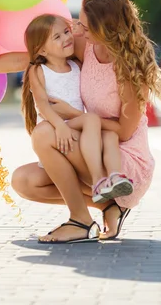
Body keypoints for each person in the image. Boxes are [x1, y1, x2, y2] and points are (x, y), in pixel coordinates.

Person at [0, 0, 161, 243]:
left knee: (44, 134)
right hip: (91, 144)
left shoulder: (131, 71)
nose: (77, 29)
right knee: (24, 181)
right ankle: (109, 207)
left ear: (105, 29)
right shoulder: (88, 47)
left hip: (122, 163)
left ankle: (80, 221)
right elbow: (27, 60)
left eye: (84, 26)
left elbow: (124, 132)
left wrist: (74, 115)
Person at [21, 14, 133, 243]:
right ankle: (101, 189)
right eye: (57, 37)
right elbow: (42, 105)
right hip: (60, 128)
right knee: (21, 179)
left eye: (66, 32)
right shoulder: (38, 70)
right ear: (41, 50)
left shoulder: (76, 65)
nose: (66, 38)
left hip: (77, 130)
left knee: (104, 130)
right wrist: (60, 126)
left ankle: (109, 178)